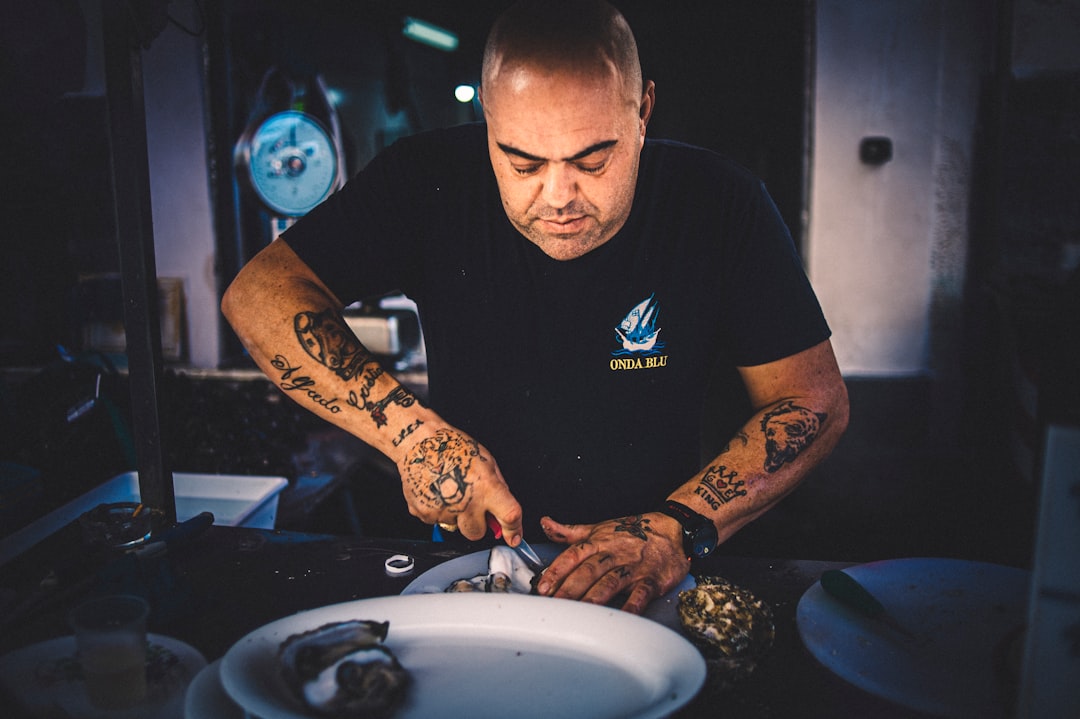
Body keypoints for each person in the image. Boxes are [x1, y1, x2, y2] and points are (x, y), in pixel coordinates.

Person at [222, 0, 849, 614]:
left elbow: (811, 399)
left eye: (592, 160)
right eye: (521, 162)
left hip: (664, 571)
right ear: (489, 123)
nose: (558, 197)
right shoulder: (424, 182)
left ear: (643, 113)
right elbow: (259, 296)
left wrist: (678, 527)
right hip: (476, 569)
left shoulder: (720, 204)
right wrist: (413, 437)